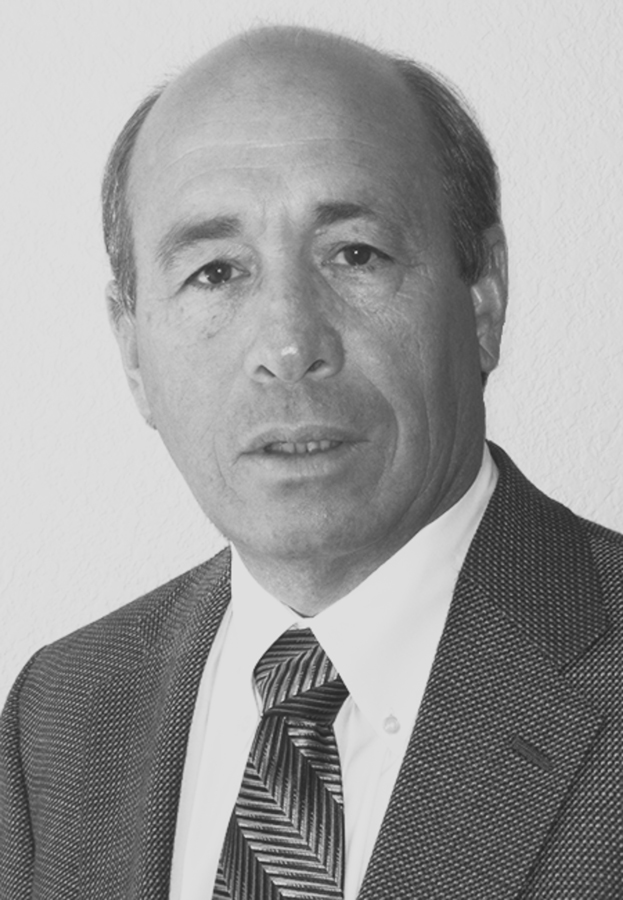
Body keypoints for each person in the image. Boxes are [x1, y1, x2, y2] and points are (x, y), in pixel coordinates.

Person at [0, 25, 620, 900]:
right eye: (216, 272)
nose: (289, 345)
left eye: (355, 254)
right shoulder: (58, 716)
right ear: (132, 352)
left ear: (483, 298)